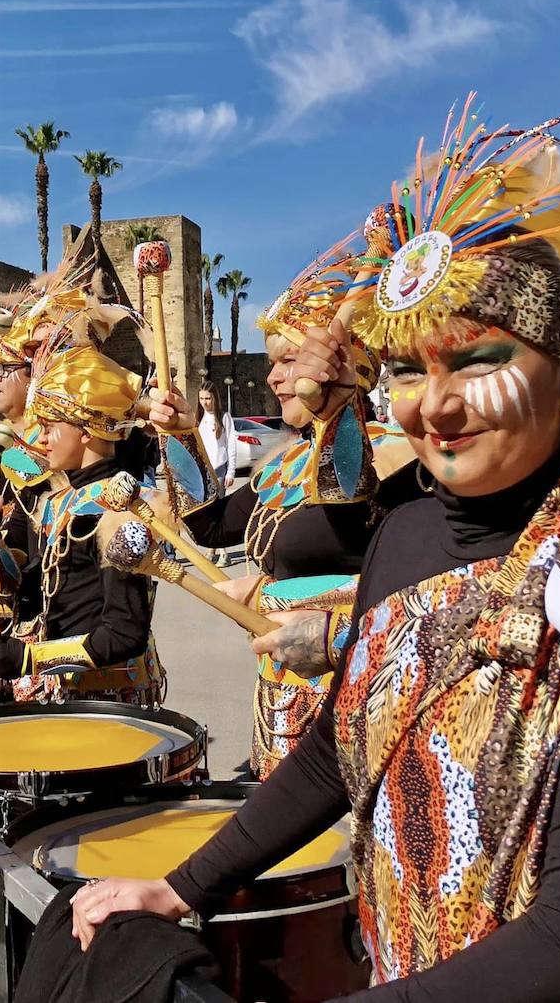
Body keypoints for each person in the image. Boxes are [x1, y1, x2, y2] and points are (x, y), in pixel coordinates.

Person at [69, 100, 560, 1000]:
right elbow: (338, 746)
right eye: (407, 371)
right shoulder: (403, 534)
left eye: (477, 360)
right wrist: (181, 887)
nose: (433, 407)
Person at [147, 261, 380, 778]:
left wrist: (338, 407)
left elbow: (348, 501)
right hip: (280, 698)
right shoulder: (287, 460)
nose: (273, 376)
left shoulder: (392, 455)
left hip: (354, 705)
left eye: (291, 360)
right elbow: (211, 527)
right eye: (275, 363)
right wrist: (183, 433)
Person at [0, 313, 162, 704]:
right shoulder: (55, 499)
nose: (40, 439)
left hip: (104, 700)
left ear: (88, 428)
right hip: (58, 693)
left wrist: (34, 657)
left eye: (50, 425)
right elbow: (26, 582)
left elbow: (125, 633)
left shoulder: (117, 511)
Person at [195, 381, 237, 566]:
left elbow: (231, 445)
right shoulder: (198, 418)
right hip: (204, 471)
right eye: (202, 398)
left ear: (215, 398)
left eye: (208, 398)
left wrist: (231, 471)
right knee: (208, 510)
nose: (205, 402)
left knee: (216, 509)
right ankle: (212, 550)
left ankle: (223, 553)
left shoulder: (224, 417)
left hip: (220, 469)